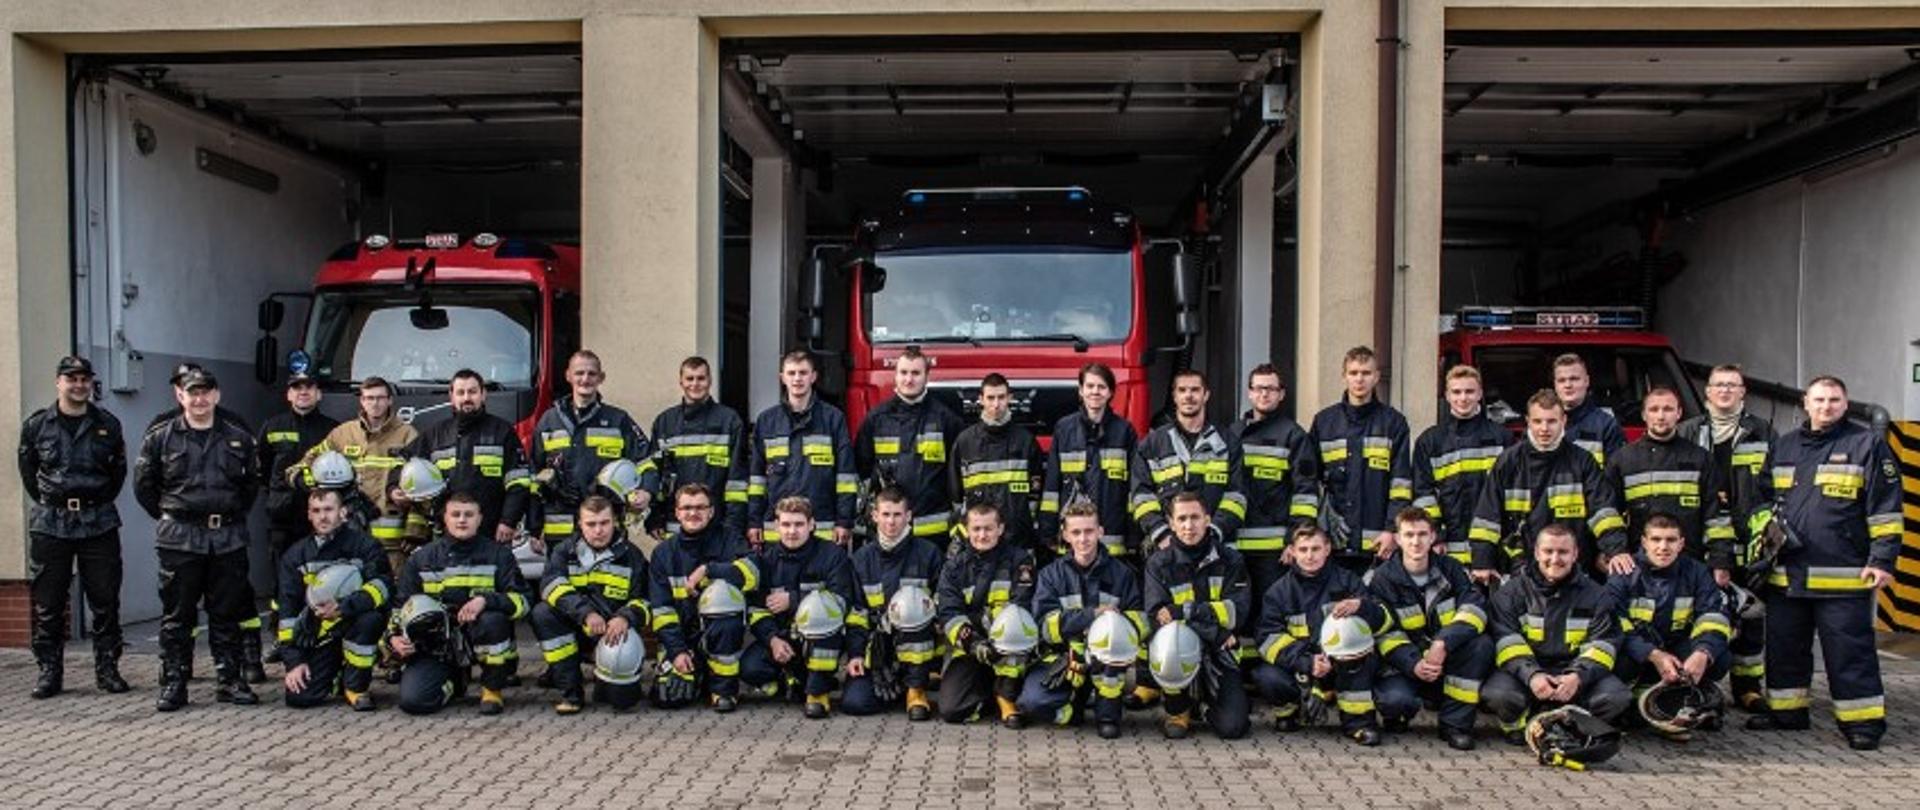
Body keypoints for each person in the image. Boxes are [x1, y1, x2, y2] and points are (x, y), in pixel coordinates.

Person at [1745, 375, 1900, 750]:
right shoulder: (1784, 446)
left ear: (1846, 404)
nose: (1826, 406)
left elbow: (1886, 511)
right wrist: (1766, 527)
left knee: (1849, 651)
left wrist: (1881, 561)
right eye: (1819, 399)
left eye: (1834, 400)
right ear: (1805, 403)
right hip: (1787, 573)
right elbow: (1763, 499)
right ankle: (1787, 712)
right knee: (1784, 647)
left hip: (1842, 576)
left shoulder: (1867, 445)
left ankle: (1862, 722)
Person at [135, 367, 261, 711]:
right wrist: (175, 516)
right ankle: (175, 681)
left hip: (228, 537)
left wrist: (226, 515)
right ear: (182, 396)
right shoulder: (161, 436)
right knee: (178, 614)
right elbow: (145, 487)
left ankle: (229, 678)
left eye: (206, 392)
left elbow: (250, 486)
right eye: (193, 393)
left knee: (227, 611)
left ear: (217, 395)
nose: (200, 399)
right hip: (179, 537)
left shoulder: (237, 434)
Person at [18, 356, 130, 698]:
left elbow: (117, 475)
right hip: (51, 523)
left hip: (98, 521)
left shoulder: (108, 425)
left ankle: (107, 670)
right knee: (49, 603)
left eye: (84, 379)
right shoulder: (38, 425)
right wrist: (56, 501)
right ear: (59, 382)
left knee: (105, 600)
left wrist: (91, 501)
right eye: (72, 379)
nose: (78, 385)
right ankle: (50, 673)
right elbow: (29, 471)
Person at [1675, 363, 1777, 709]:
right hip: (1702, 536)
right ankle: (1695, 680)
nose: (1725, 391)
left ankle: (1748, 686)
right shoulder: (1688, 431)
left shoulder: (1762, 432)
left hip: (1748, 537)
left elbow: (1773, 486)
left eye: (1732, 385)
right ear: (1707, 392)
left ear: (1743, 392)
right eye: (1719, 385)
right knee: (1702, 610)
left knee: (1750, 614)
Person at [1482, 524, 1631, 744]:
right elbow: (1506, 641)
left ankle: (1571, 723)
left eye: (1563, 552)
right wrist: (1532, 675)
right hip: (1527, 675)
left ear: (1575, 554)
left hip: (1574, 674)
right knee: (1498, 694)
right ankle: (1517, 723)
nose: (1555, 558)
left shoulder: (1597, 595)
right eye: (1548, 551)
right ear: (1536, 552)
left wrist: (1577, 677)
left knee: (1616, 697)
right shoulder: (1511, 592)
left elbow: (1604, 644)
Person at [387, 491, 531, 716]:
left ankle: (492, 689)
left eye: (468, 514)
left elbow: (523, 601)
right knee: (414, 702)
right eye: (455, 514)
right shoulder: (421, 559)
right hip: (438, 643)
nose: (462, 520)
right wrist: (394, 636)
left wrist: (486, 600)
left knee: (492, 619)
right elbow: (400, 606)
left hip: (480, 633)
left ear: (480, 519)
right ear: (445, 518)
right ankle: (454, 681)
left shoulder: (499, 556)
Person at [1467, 390, 1629, 581]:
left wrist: (1616, 550)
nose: (1544, 428)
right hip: (1520, 569)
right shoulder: (1508, 462)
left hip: (1572, 567)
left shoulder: (1582, 461)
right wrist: (1482, 561)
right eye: (1537, 421)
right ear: (1527, 421)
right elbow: (1487, 516)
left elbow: (1602, 510)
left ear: (1564, 421)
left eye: (1551, 421)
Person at [1017, 501, 1146, 739]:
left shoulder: (1122, 574)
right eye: (1076, 532)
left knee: (1108, 728)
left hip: (1107, 660)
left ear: (1100, 532)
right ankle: (1074, 710)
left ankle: (1106, 711)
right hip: (1064, 658)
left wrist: (1111, 630)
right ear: (1065, 535)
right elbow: (1044, 627)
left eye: (1088, 531)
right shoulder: (1051, 575)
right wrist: (1093, 616)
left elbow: (1141, 622)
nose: (1083, 539)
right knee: (1031, 703)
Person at [1366, 508, 1493, 750]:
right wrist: (1413, 663)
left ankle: (1454, 725)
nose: (1416, 541)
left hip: (1446, 657)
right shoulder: (1382, 578)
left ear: (1433, 537)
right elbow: (1384, 632)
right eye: (1409, 534)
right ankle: (1398, 715)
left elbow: (1475, 608)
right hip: (1406, 664)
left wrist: (1443, 643)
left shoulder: (1452, 569)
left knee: (1481, 645)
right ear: (1398, 538)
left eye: (1422, 534)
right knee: (1395, 701)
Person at [1253, 524, 1390, 745]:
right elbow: (1268, 639)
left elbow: (1383, 621)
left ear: (1327, 549)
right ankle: (1290, 712)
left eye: (1316, 549)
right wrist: (1307, 662)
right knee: (1266, 676)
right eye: (1304, 549)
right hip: (1303, 668)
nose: (1309, 556)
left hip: (1341, 664)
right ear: (1293, 552)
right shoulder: (1278, 592)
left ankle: (1359, 724)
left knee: (1362, 660)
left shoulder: (1348, 582)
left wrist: (1362, 606)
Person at [740, 496, 867, 718]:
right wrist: (772, 640)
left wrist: (794, 599)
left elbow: (842, 600)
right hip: (782, 637)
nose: (792, 531)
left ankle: (817, 694)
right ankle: (791, 682)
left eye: (799, 524)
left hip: (822, 638)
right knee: (749, 667)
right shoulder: (766, 560)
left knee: (821, 612)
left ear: (811, 525)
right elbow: (756, 609)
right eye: (786, 524)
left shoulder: (832, 556)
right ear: (777, 526)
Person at [528, 495, 653, 714]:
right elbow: (550, 586)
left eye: (604, 523)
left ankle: (608, 682)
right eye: (591, 524)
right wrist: (585, 614)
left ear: (614, 521)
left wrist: (625, 616)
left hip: (614, 632)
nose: (598, 530)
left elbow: (644, 599)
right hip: (576, 627)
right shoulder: (564, 551)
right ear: (580, 524)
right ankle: (571, 693)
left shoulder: (632, 556)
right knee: (543, 613)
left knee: (621, 703)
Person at [1607, 514, 1731, 729]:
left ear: (1681, 544)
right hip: (1639, 653)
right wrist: (1652, 654)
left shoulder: (1697, 572)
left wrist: (1702, 653)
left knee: (1719, 659)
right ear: (1644, 542)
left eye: (1671, 540)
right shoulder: (1625, 573)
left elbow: (1714, 617)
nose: (1663, 547)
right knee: (1618, 661)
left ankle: (1680, 696)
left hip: (1677, 650)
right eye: (1656, 539)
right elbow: (1614, 625)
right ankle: (1638, 701)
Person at [1145, 493, 1252, 739]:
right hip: (1184, 649)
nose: (1188, 525)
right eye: (1181, 518)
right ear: (1171, 523)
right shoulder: (1158, 563)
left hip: (1220, 654)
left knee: (1233, 728)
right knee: (1170, 640)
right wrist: (1215, 632)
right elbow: (1157, 617)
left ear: (1207, 520)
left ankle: (1203, 706)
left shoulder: (1231, 560)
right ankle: (1177, 710)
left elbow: (1237, 613)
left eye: (1195, 517)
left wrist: (1184, 611)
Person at [645, 484, 760, 712]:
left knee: (723, 603)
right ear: (677, 513)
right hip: (682, 638)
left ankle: (724, 690)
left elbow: (754, 573)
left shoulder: (730, 540)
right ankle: (699, 675)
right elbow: (662, 610)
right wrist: (677, 651)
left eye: (700, 507)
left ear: (711, 511)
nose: (693, 513)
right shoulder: (663, 553)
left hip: (720, 633)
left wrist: (710, 570)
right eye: (686, 508)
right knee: (668, 696)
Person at [291, 377, 420, 576]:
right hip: (348, 540)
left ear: (390, 401)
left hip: (392, 545)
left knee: (390, 596)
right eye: (369, 398)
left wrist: (415, 532)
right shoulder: (343, 434)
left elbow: (420, 488)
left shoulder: (407, 435)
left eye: (380, 398)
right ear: (361, 401)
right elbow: (307, 461)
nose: (374, 404)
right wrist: (301, 478)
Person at [276, 488, 392, 710]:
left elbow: (383, 587)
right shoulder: (295, 555)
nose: (323, 516)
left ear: (343, 512)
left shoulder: (365, 546)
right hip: (320, 634)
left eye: (329, 509)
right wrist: (294, 662)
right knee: (299, 698)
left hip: (356, 624)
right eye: (316, 511)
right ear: (308, 514)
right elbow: (288, 613)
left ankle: (356, 687)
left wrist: (345, 607)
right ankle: (337, 675)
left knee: (371, 619)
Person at [528, 351, 655, 550]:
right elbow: (533, 475)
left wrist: (646, 492)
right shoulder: (548, 421)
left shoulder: (618, 420)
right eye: (579, 373)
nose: (585, 379)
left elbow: (646, 461)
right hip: (560, 529)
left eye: (591, 374)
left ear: (601, 378)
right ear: (568, 376)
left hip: (605, 527)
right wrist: (534, 528)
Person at [391, 369, 533, 544]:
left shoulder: (502, 431)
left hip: (492, 531)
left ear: (483, 394)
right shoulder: (436, 434)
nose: (467, 398)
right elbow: (403, 461)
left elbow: (519, 482)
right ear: (451, 397)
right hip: (446, 533)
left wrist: (508, 521)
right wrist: (393, 488)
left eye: (472, 392)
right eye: (461, 392)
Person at [256, 370, 339, 665]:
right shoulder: (272, 427)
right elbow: (263, 471)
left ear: (319, 394)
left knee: (323, 577)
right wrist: (277, 497)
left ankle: (321, 634)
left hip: (320, 520)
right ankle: (283, 637)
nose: (303, 393)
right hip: (283, 517)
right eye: (297, 388)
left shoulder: (333, 431)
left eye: (309, 387)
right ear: (288, 394)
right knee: (283, 583)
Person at [1608, 386, 1735, 576]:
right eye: (1654, 409)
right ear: (1644, 415)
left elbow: (1716, 516)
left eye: (1668, 409)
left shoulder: (1700, 459)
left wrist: (1720, 561)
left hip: (1691, 566)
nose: (1661, 416)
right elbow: (1608, 512)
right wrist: (1615, 551)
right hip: (1637, 567)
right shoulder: (1623, 460)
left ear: (1679, 413)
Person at [842, 487, 945, 718]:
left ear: (908, 516)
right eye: (886, 514)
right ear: (874, 516)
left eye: (897, 515)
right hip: (878, 649)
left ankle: (916, 689)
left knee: (914, 609)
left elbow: (941, 603)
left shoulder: (929, 554)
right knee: (855, 703)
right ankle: (898, 686)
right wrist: (857, 654)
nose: (891, 522)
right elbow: (856, 612)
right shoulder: (861, 559)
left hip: (919, 648)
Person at [937, 502, 1040, 727]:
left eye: (988, 529)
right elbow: (949, 614)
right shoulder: (954, 567)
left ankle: (1006, 697)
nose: (982, 535)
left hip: (1010, 647)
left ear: (1000, 529)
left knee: (1013, 627)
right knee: (951, 710)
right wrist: (975, 645)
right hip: (972, 647)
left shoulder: (1020, 561)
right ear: (967, 530)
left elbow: (1021, 605)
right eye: (976, 529)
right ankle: (988, 695)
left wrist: (989, 625)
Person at [1308, 346, 1412, 568]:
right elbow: (1309, 482)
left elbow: (1400, 484)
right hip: (1332, 543)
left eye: (1366, 373)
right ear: (1344, 376)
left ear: (1376, 377)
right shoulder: (1324, 422)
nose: (1359, 379)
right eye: (1353, 373)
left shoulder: (1393, 423)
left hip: (1378, 545)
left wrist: (1392, 530)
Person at [1226, 363, 1319, 603]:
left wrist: (1296, 539)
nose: (1264, 394)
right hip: (1234, 544)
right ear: (1249, 393)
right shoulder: (1232, 433)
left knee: (1269, 610)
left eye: (1270, 389)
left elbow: (1305, 494)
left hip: (1275, 550)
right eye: (1258, 389)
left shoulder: (1294, 435)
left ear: (1281, 394)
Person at [855, 346, 966, 544]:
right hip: (889, 532)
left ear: (927, 376)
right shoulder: (876, 419)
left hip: (935, 533)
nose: (909, 379)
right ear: (895, 376)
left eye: (916, 373)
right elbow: (861, 473)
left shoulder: (946, 419)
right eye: (903, 372)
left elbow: (959, 473)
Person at [747, 351, 857, 548]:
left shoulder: (833, 419)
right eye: (791, 373)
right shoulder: (766, 421)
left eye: (803, 373)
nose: (797, 379)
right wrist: (754, 521)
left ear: (813, 377)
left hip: (823, 527)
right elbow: (757, 478)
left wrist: (844, 521)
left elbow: (845, 477)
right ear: (782, 378)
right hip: (777, 530)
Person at [1130, 369, 1248, 552]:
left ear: (1206, 395)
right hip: (1166, 549)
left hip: (1216, 548)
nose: (1188, 396)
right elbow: (1141, 496)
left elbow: (1237, 496)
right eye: (1182, 390)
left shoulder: (1228, 442)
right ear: (1174, 396)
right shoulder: (1152, 444)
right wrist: (1161, 533)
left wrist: (1213, 531)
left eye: (1195, 390)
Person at [1411, 365, 1512, 567]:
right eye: (1456, 392)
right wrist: (1435, 535)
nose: (1463, 398)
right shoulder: (1430, 441)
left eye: (1469, 391)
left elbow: (1510, 494)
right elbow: (1423, 494)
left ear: (1480, 394)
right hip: (1447, 549)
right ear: (1446, 395)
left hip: (1493, 549)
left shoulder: (1501, 438)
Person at [1038, 363, 1139, 562]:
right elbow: (1052, 484)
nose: (1095, 392)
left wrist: (1133, 532)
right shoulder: (1064, 428)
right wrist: (1048, 528)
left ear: (1110, 392)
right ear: (1081, 391)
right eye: (1090, 386)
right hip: (1073, 538)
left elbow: (1133, 486)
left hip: (1113, 536)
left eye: (1101, 387)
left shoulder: (1125, 431)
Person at [648, 356, 750, 537]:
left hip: (719, 525)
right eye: (690, 378)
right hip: (675, 525)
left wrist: (734, 524)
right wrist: (654, 517)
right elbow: (654, 473)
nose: (695, 384)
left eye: (701, 378)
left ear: (710, 381)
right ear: (681, 381)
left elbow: (737, 478)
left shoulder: (729, 421)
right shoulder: (665, 423)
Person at [951, 373, 1045, 560]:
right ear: (980, 400)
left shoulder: (1026, 441)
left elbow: (1036, 498)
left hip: (1019, 543)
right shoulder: (965, 442)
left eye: (1001, 397)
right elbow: (955, 498)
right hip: (977, 544)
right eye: (990, 398)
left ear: (1010, 398)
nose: (996, 404)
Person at [1553, 353, 1626, 467]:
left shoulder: (1606, 425)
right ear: (1555, 385)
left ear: (1586, 381)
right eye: (1561, 380)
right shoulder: (1542, 423)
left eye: (1574, 379)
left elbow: (1615, 474)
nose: (1568, 385)